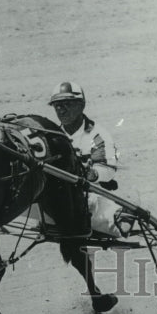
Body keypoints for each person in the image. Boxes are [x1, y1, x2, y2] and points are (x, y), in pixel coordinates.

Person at [47, 80, 121, 236]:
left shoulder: (97, 135)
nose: (61, 110)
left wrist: (93, 174)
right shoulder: (51, 137)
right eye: (57, 106)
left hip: (92, 194)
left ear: (81, 105)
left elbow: (108, 169)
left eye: (67, 104)